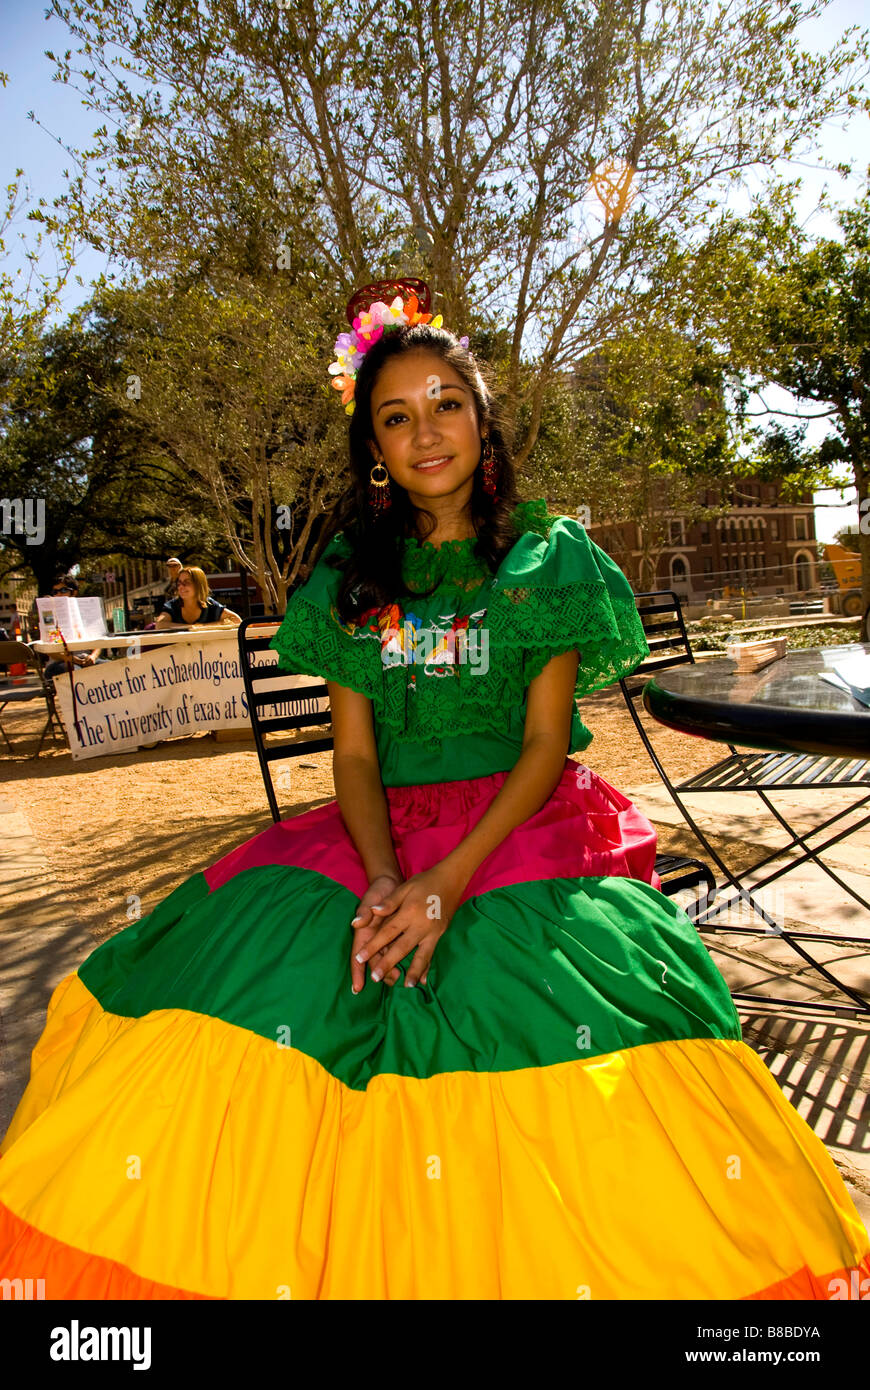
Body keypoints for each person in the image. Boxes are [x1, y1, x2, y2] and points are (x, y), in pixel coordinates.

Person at [0, 278, 867, 1301]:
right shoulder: (352, 578)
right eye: (395, 416)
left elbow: (547, 743)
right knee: (265, 980)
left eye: (446, 403)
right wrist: (382, 879)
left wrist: (447, 882)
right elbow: (356, 758)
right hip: (374, 835)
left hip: (521, 825)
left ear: (483, 418)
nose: (426, 432)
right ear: (373, 444)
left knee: (539, 1003)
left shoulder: (549, 559)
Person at [40, 574, 109, 679]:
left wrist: (93, 657)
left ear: (74, 592)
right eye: (55, 592)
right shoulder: (50, 614)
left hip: (86, 659)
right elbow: (52, 652)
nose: (59, 594)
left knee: (113, 666)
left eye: (63, 590)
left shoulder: (85, 611)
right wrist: (74, 660)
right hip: (60, 662)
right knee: (75, 671)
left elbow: (98, 639)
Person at [154, 565, 242, 629]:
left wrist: (203, 627)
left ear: (198, 585)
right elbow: (160, 624)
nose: (181, 586)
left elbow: (236, 620)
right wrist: (190, 627)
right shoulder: (172, 606)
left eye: (186, 582)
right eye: (179, 583)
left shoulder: (210, 604)